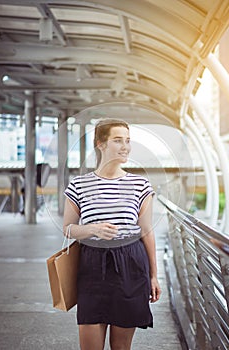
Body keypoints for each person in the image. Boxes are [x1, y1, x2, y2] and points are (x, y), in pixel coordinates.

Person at [63, 118, 161, 350]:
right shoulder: (79, 185)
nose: (125, 146)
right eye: (118, 140)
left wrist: (154, 276)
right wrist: (91, 229)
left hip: (131, 265)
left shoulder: (140, 185)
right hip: (92, 266)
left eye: (127, 141)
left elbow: (146, 231)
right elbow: (68, 228)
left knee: (121, 347)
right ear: (101, 144)